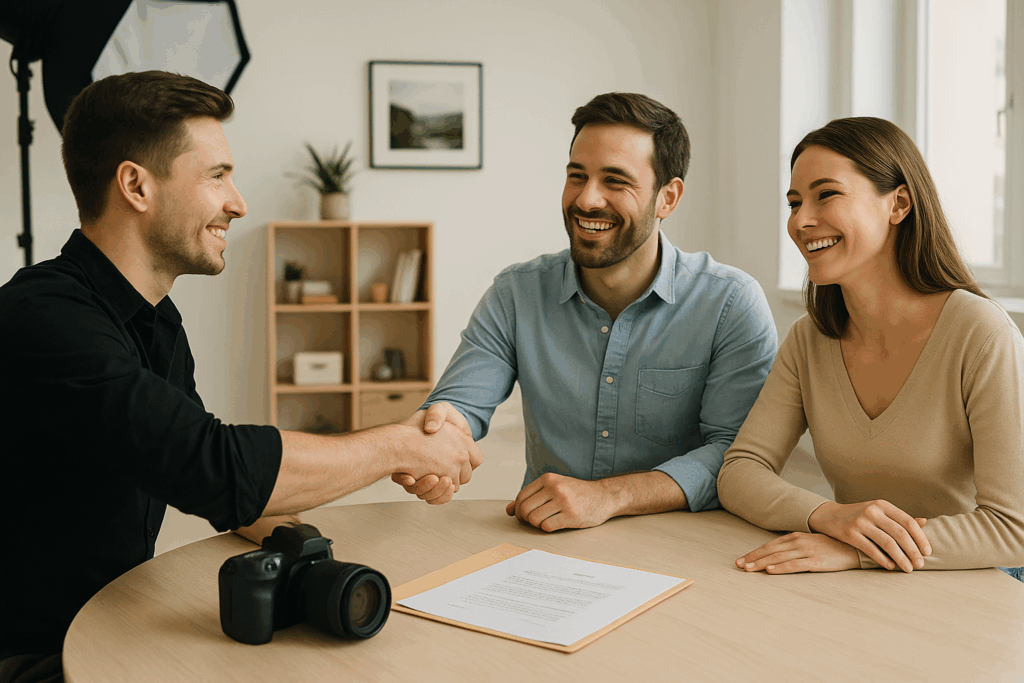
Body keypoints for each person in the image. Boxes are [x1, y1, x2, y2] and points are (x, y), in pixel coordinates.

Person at [0, 71, 481, 682]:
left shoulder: (157, 322)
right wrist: (397, 445)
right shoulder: (44, 318)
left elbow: (204, 479)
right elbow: (213, 466)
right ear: (135, 185)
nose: (239, 201)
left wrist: (312, 550)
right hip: (35, 656)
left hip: (113, 619)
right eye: (217, 175)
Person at [395, 92, 777, 531]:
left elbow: (734, 452)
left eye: (615, 181)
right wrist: (436, 435)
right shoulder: (516, 293)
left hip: (684, 538)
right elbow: (460, 403)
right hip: (549, 539)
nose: (587, 200)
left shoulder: (729, 303)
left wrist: (609, 496)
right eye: (577, 176)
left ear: (667, 198)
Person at [718, 116, 1024, 578]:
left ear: (898, 204)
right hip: (871, 587)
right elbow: (740, 471)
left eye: (827, 194)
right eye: (794, 202)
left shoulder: (980, 333)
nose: (800, 221)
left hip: (982, 583)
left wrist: (858, 551)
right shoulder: (810, 338)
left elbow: (1012, 530)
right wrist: (829, 517)